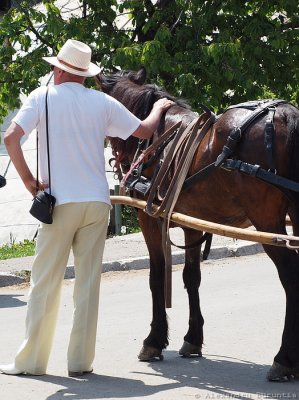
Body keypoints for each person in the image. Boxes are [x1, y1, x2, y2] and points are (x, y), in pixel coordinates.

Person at [0, 39, 174, 377]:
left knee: (44, 283)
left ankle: (32, 362)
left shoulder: (42, 98)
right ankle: (80, 363)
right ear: (84, 73)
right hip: (96, 204)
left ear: (60, 69)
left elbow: (10, 137)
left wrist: (28, 181)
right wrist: (159, 107)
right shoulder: (101, 101)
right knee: (88, 285)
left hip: (59, 204)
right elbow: (143, 130)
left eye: (54, 66)